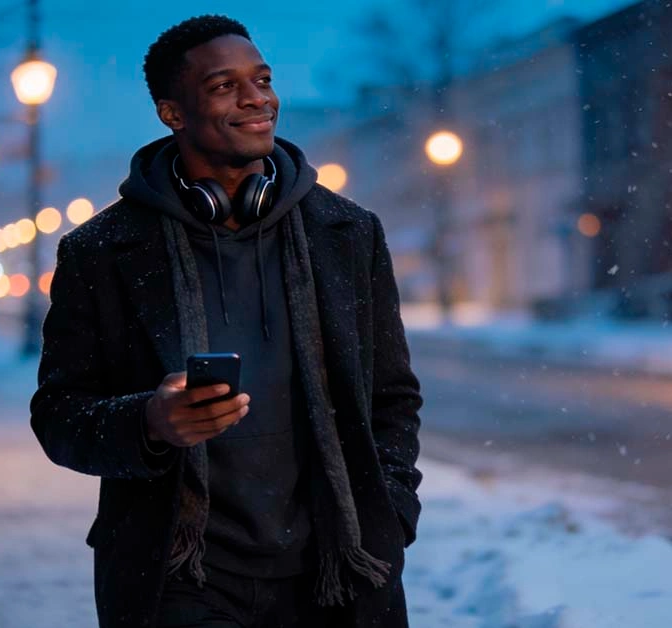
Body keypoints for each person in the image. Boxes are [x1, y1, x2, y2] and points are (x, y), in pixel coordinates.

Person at [29, 15, 423, 628]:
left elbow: (392, 398)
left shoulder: (348, 233)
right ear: (172, 113)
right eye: (223, 86)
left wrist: (391, 512)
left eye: (262, 80)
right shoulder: (100, 251)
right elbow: (59, 415)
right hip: (178, 574)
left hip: (337, 572)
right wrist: (150, 421)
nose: (256, 99)